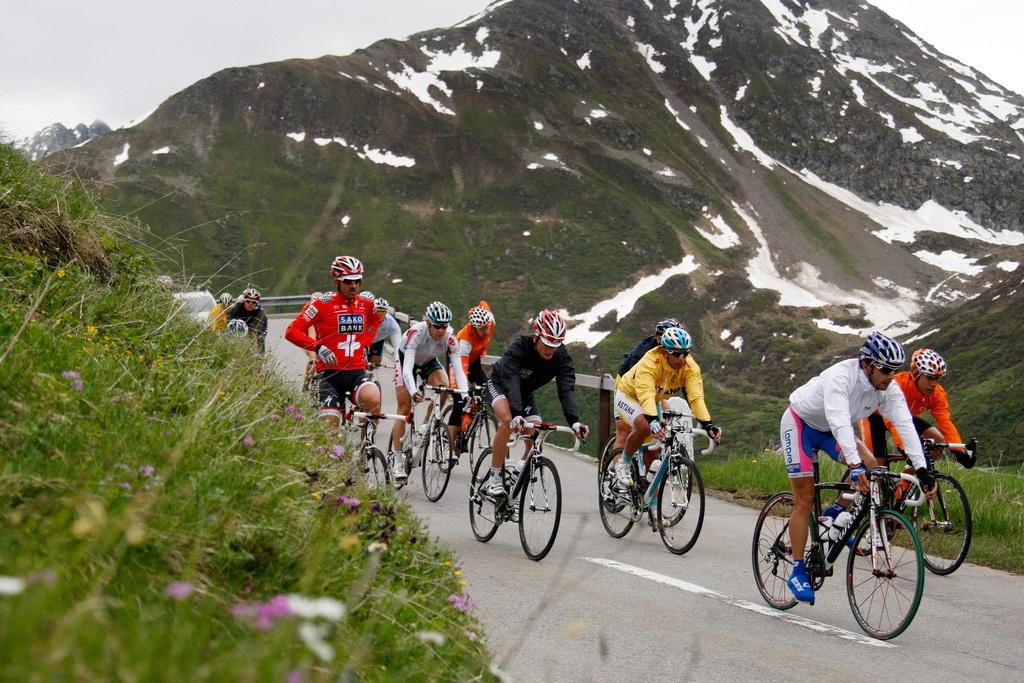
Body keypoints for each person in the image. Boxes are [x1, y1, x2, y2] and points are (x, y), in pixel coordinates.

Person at [780, 331, 936, 604]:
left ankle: (836, 517)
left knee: (873, 466)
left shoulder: (887, 388)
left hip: (830, 429)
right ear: (867, 364)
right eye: (886, 369)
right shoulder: (842, 376)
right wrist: (853, 465)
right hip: (801, 424)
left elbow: (905, 425)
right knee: (804, 499)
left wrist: (922, 469)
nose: (891, 376)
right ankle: (796, 568)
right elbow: (840, 421)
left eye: (894, 370)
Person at [483, 309, 589, 499]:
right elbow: (511, 381)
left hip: (524, 394)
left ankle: (518, 472)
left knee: (537, 436)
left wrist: (574, 422)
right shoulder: (520, 346)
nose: (551, 349)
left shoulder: (560, 356)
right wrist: (516, 414)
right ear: (537, 336)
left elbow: (566, 389)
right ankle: (495, 477)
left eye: (556, 344)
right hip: (500, 384)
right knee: (507, 421)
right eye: (547, 343)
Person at [612, 326, 721, 488]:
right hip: (629, 395)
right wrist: (653, 419)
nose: (682, 358)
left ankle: (651, 499)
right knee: (643, 425)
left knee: (656, 449)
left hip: (655, 399)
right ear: (665, 351)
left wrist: (708, 423)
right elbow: (646, 393)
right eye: (677, 354)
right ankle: (624, 463)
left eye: (686, 353)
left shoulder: (689, 367)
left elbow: (696, 397)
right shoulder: (650, 361)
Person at [284, 256, 385, 430]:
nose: (353, 286)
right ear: (336, 282)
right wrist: (317, 347)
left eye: (357, 281)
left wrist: (366, 344)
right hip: (329, 376)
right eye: (347, 281)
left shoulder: (367, 305)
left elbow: (376, 321)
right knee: (329, 431)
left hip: (356, 373)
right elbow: (291, 332)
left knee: (374, 399)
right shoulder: (322, 305)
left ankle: (365, 450)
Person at [390, 301, 469, 483]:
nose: (441, 331)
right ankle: (397, 460)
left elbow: (458, 370)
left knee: (445, 386)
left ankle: (428, 423)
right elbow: (408, 369)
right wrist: (412, 391)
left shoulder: (450, 338)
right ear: (428, 323)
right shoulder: (416, 334)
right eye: (437, 327)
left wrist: (465, 396)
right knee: (404, 408)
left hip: (428, 362)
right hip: (405, 361)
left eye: (444, 326)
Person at [859, 348, 974, 469]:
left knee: (938, 440)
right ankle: (849, 485)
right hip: (874, 417)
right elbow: (893, 422)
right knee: (875, 467)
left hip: (903, 417)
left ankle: (908, 484)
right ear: (916, 373)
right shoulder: (898, 385)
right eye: (930, 378)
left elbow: (946, 423)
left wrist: (959, 451)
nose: (934, 384)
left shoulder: (937, 394)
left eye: (937, 378)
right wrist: (906, 449)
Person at [447, 302, 496, 453]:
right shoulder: (465, 341)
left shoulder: (490, 322)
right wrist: (464, 392)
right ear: (474, 328)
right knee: (459, 401)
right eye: (482, 329)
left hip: (474, 361)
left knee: (487, 388)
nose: (486, 330)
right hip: (458, 363)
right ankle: (449, 448)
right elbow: (461, 370)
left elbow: (484, 304)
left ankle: (468, 420)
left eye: (487, 326)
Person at [360, 291, 401, 368]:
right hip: (363, 340)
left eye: (383, 311)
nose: (380, 314)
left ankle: (371, 375)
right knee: (360, 361)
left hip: (377, 341)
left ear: (386, 312)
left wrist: (398, 362)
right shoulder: (365, 318)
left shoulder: (391, 323)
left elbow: (397, 345)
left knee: (376, 362)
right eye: (378, 311)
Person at [227, 288, 268, 354]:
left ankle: (260, 356)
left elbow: (262, 329)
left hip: (251, 331)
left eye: (253, 302)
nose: (250, 304)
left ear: (256, 303)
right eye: (248, 301)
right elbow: (230, 323)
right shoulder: (236, 308)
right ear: (244, 301)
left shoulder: (260, 313)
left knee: (260, 338)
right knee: (227, 335)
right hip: (237, 331)